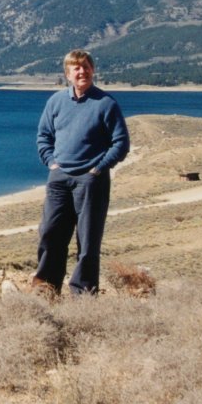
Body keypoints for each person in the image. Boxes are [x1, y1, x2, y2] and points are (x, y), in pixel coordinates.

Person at [33, 49, 130, 296]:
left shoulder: (106, 103)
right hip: (59, 178)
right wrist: (52, 163)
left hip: (90, 181)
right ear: (67, 73)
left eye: (86, 67)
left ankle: (82, 295)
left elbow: (121, 143)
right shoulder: (56, 101)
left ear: (93, 70)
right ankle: (47, 288)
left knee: (87, 242)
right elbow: (44, 136)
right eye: (76, 68)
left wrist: (98, 168)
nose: (82, 71)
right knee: (50, 235)